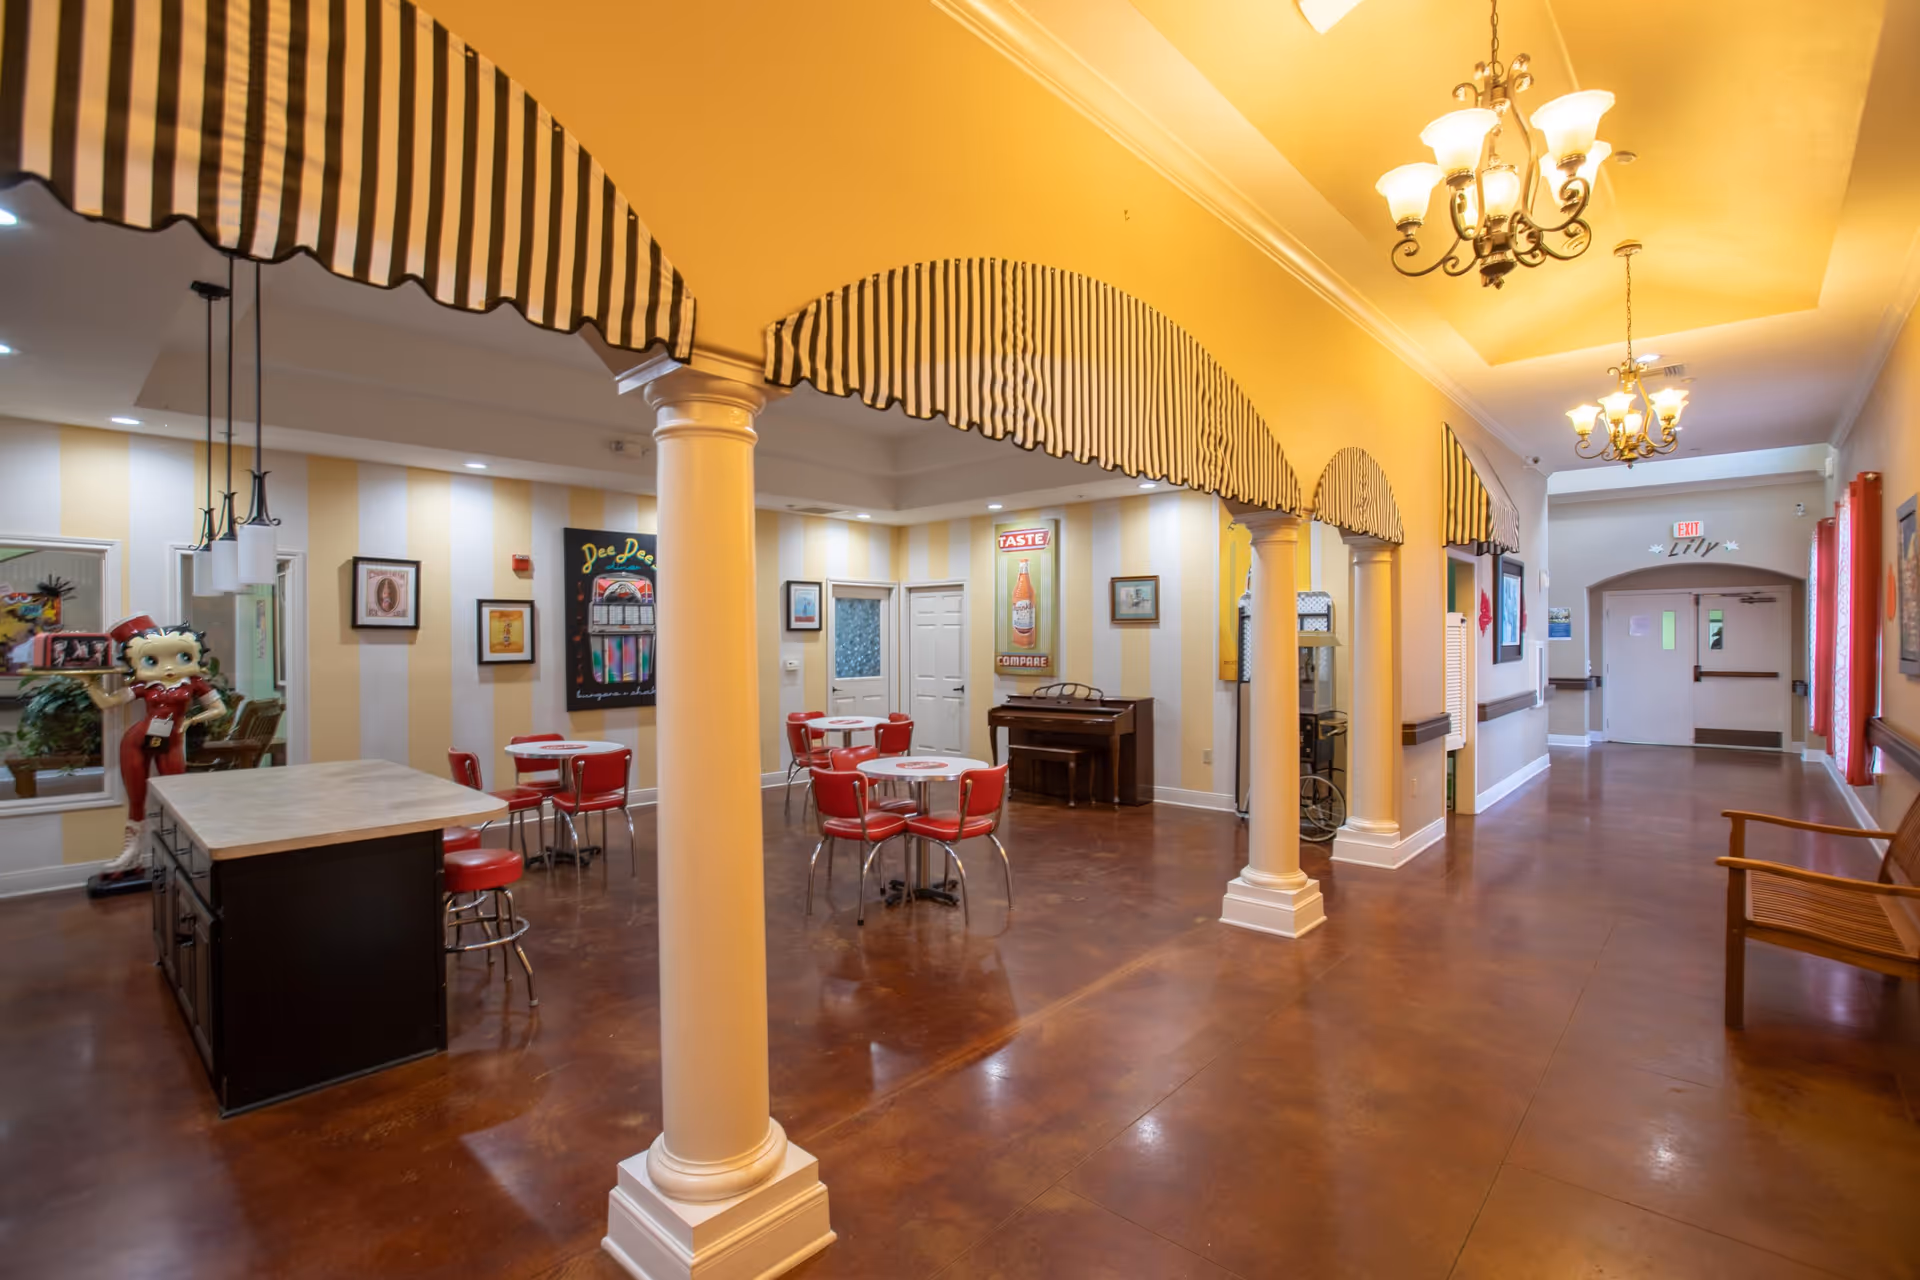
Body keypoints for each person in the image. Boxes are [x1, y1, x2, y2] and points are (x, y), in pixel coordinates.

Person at [80, 615, 227, 877]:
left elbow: (219, 709)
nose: (168, 667)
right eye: (152, 660)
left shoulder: (194, 683)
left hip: (172, 742)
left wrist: (191, 721)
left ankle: (179, 853)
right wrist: (89, 682)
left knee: (176, 799)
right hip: (136, 742)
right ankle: (132, 854)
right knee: (136, 800)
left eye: (182, 656)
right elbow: (107, 703)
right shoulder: (143, 686)